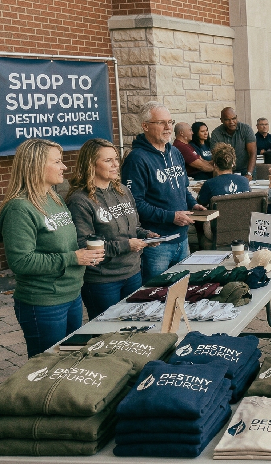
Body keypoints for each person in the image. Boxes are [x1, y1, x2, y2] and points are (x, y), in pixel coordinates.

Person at [0, 139, 104, 357]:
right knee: (45, 365)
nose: (64, 167)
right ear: (36, 166)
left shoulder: (53, 196)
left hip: (72, 295)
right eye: (57, 161)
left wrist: (86, 253)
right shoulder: (19, 208)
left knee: (69, 356)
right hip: (43, 302)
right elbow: (21, 262)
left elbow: (64, 243)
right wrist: (73, 258)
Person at [67, 138, 158, 320]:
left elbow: (135, 227)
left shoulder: (123, 190)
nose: (116, 164)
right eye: (108, 160)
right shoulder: (80, 200)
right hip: (103, 281)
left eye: (116, 159)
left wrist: (146, 235)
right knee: (107, 332)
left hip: (132, 272)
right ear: (91, 164)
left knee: (133, 326)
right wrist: (126, 245)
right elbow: (84, 244)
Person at [122, 101, 207, 282]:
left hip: (182, 239)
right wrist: (171, 217)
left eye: (170, 122)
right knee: (155, 294)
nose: (168, 127)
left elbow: (183, 188)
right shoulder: (137, 159)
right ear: (145, 126)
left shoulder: (175, 152)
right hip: (156, 243)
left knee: (182, 290)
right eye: (161, 122)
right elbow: (134, 204)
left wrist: (193, 204)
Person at [195, 143, 251, 208]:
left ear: (215, 165)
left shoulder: (209, 184)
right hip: (243, 217)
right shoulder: (244, 181)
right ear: (233, 163)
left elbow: (200, 205)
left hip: (219, 217)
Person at [209, 107, 256, 179]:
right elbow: (216, 156)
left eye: (233, 118)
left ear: (236, 118)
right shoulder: (216, 133)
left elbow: (252, 152)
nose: (231, 122)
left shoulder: (246, 129)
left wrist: (249, 173)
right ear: (221, 120)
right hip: (225, 171)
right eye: (227, 120)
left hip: (246, 169)